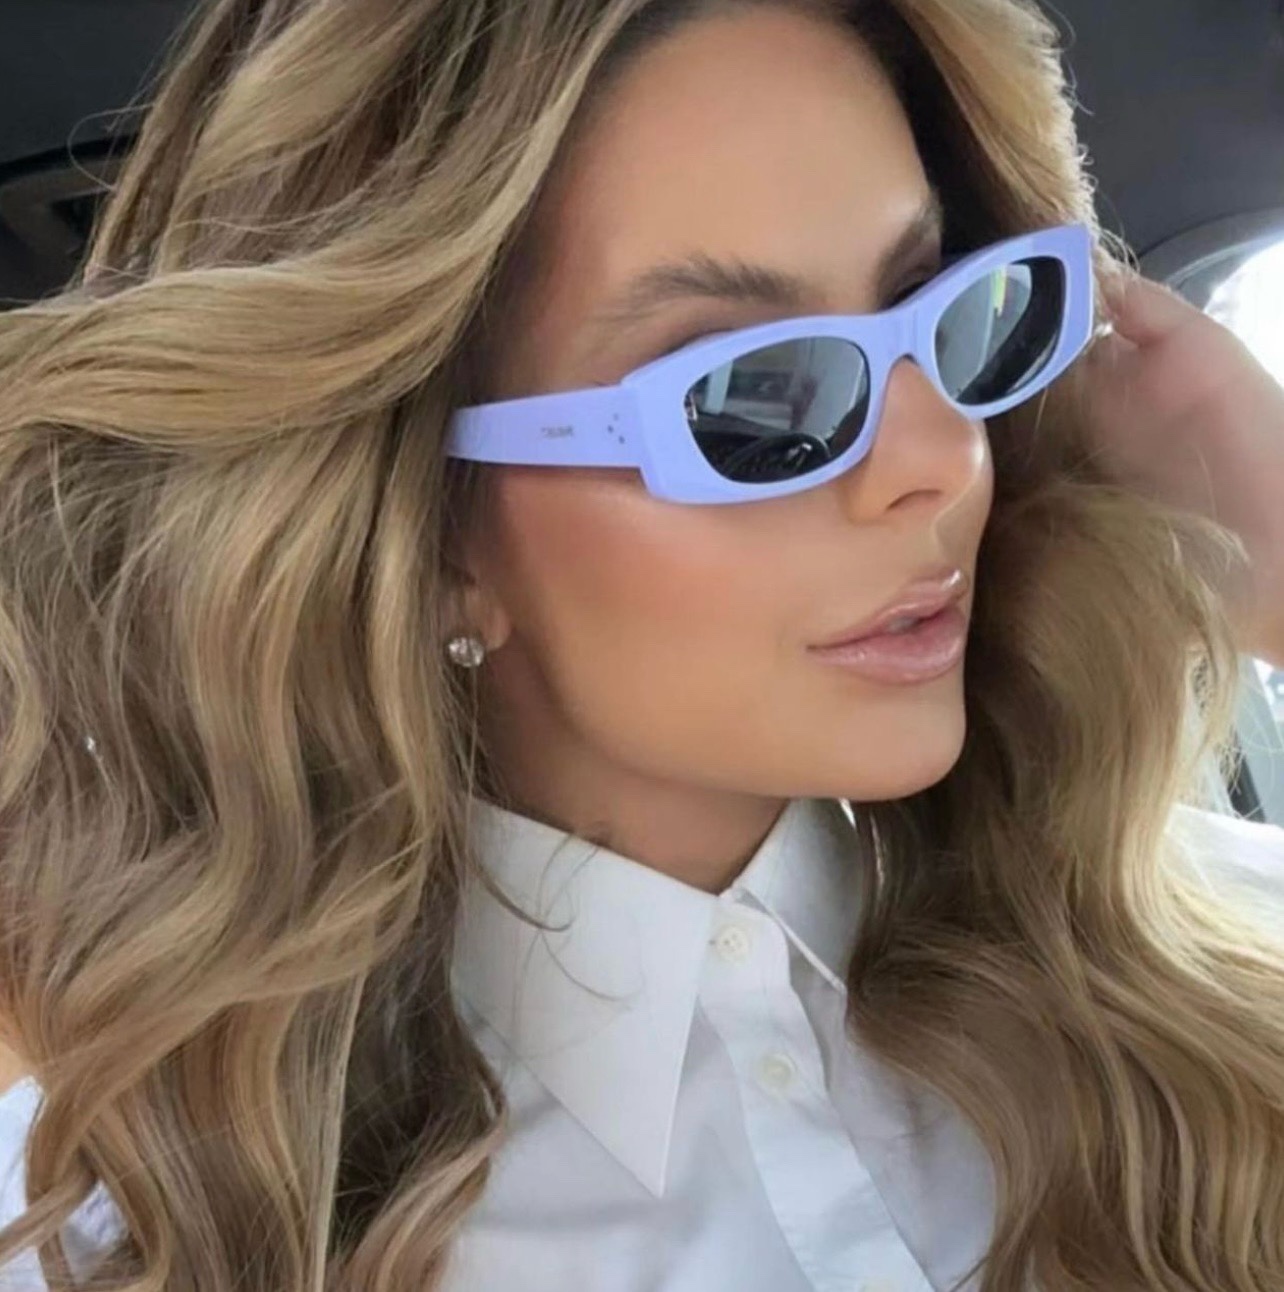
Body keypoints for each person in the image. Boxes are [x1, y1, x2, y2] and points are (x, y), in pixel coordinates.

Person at [0, 0, 1282, 1288]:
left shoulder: (1225, 938)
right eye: (750, 395)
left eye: (946, 312)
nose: (942, 456)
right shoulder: (129, 1228)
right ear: (434, 539)